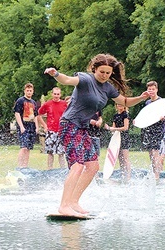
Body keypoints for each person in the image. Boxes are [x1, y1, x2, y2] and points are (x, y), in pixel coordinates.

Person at [44, 53, 150, 216]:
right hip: (69, 124)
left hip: (82, 128)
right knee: (78, 165)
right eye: (102, 72)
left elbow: (126, 102)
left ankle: (73, 201)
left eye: (108, 73)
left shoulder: (108, 88)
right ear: (94, 69)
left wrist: (142, 97)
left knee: (93, 166)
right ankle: (64, 205)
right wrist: (55, 74)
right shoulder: (85, 79)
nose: (105, 75)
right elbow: (66, 80)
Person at [140, 81, 165, 180]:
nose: (151, 91)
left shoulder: (161, 101)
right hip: (149, 129)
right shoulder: (147, 102)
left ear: (156, 89)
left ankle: (157, 175)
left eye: (153, 89)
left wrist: (163, 117)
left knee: (155, 151)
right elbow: (145, 116)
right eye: (149, 89)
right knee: (150, 152)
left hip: (158, 129)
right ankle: (154, 173)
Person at [38, 87, 68, 169]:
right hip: (51, 131)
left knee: (61, 152)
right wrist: (45, 126)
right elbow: (39, 115)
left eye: (58, 94)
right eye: (55, 94)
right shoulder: (48, 104)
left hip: (61, 131)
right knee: (50, 152)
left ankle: (63, 169)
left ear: (60, 95)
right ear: (52, 94)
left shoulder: (64, 104)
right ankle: (50, 169)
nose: (56, 96)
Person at [14, 83, 39, 169]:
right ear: (24, 91)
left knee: (28, 148)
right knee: (23, 147)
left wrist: (37, 127)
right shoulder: (20, 100)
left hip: (31, 126)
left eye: (30, 91)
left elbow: (35, 116)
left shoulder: (33, 102)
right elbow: (17, 113)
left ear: (33, 91)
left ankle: (25, 166)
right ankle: (20, 166)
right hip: (23, 126)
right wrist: (21, 126)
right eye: (27, 90)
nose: (29, 92)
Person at [104, 103, 131, 181]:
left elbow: (125, 128)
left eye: (121, 105)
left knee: (125, 158)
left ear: (124, 106)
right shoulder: (115, 116)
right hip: (117, 138)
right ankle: (123, 174)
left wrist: (114, 129)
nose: (119, 106)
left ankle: (128, 176)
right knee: (119, 157)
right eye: (118, 104)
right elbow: (114, 128)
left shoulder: (125, 115)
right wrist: (109, 128)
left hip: (124, 137)